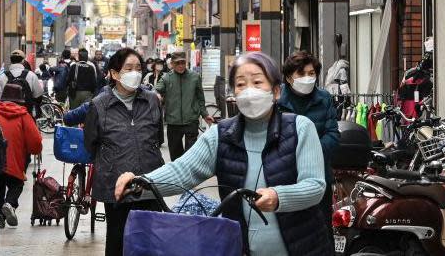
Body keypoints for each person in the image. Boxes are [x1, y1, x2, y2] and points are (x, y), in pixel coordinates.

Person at [115, 52, 331, 256]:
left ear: (276, 91)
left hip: (303, 247)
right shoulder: (221, 135)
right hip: (240, 248)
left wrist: (278, 197)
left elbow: (314, 186)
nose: (249, 90)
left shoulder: (300, 128)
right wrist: (141, 182)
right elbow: (182, 170)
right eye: (240, 84)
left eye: (257, 82)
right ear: (233, 94)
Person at [84, 48, 165, 256]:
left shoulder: (152, 100)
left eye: (138, 68)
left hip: (150, 182)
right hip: (116, 187)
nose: (135, 73)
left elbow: (158, 137)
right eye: (128, 68)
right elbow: (90, 144)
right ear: (114, 73)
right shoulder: (99, 105)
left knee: (151, 241)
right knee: (118, 241)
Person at [277, 51, 340, 230]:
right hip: (284, 178)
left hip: (319, 177)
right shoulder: (276, 100)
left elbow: (333, 134)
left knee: (320, 229)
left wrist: (311, 154)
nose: (307, 78)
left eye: (311, 74)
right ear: (289, 77)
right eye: (301, 74)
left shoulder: (324, 98)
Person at [0, 84, 43, 228]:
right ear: (20, 100)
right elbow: (35, 142)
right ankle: (9, 204)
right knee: (17, 185)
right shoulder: (24, 116)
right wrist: (34, 149)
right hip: (14, 162)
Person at [155, 51, 211, 160]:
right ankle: (178, 176)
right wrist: (157, 95)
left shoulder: (195, 77)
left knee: (191, 155)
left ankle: (190, 176)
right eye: (177, 63)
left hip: (191, 121)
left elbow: (200, 98)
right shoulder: (167, 78)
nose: (181, 66)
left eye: (183, 63)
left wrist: (205, 114)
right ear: (172, 64)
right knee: (176, 156)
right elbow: (156, 90)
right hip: (173, 122)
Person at [0, 49, 44, 116]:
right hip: (26, 115)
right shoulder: (31, 75)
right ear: (23, 61)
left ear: (11, 60)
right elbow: (38, 96)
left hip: (7, 115)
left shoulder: (2, 77)